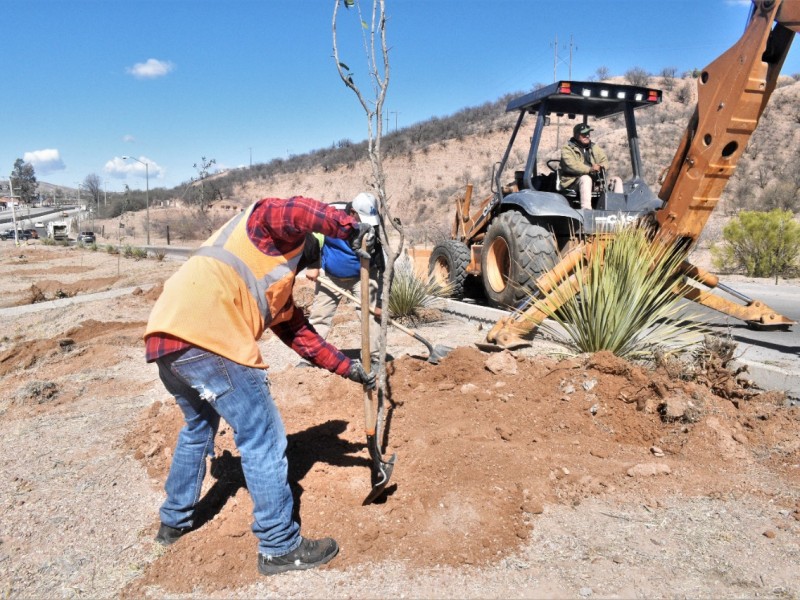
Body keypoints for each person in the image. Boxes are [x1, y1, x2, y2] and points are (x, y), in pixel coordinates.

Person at [143, 196, 376, 577]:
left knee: (198, 427)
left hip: (166, 340)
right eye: (305, 267)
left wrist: (348, 368)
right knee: (263, 437)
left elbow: (303, 337)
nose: (299, 274)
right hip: (209, 336)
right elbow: (297, 210)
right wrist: (351, 230)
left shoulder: (273, 286)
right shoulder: (264, 227)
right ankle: (279, 546)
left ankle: (174, 522)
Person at [300, 192, 385, 364]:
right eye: (362, 219)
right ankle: (311, 359)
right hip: (332, 276)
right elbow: (313, 237)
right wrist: (313, 265)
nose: (366, 224)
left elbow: (381, 260)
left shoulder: (373, 222)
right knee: (320, 316)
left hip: (363, 274)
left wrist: (380, 300)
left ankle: (374, 359)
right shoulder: (332, 212)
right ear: (352, 212)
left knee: (372, 317)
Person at [559, 123, 623, 210]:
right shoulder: (567, 149)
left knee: (617, 180)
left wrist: (601, 166)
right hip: (573, 181)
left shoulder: (594, 147)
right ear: (577, 135)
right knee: (586, 179)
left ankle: (619, 211)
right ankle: (586, 210)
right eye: (584, 134)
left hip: (595, 181)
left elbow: (604, 161)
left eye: (588, 133)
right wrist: (590, 169)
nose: (587, 136)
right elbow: (572, 165)